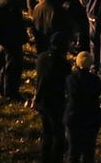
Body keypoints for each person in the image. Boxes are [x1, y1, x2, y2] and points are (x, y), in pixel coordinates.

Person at [32, 31, 71, 163]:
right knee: (58, 133)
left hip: (41, 99)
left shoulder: (41, 58)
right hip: (55, 100)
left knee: (47, 132)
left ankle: (45, 157)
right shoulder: (63, 63)